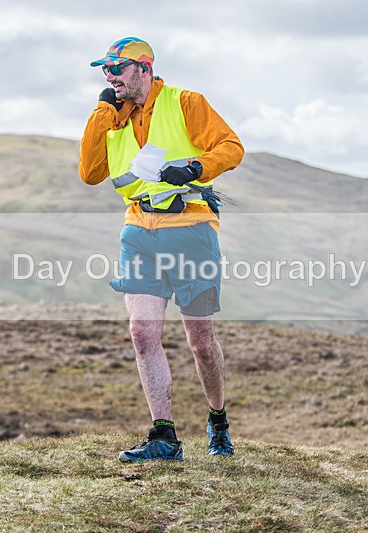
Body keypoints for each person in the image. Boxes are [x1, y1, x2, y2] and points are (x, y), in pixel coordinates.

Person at [79, 37, 244, 462]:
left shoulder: (185, 102)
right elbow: (90, 173)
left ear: (145, 68)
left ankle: (218, 419)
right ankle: (164, 437)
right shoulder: (112, 116)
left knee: (200, 341)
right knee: (141, 332)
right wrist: (101, 113)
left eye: (117, 67)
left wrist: (195, 167)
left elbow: (231, 147)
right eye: (105, 70)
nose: (110, 76)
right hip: (139, 229)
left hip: (191, 227)